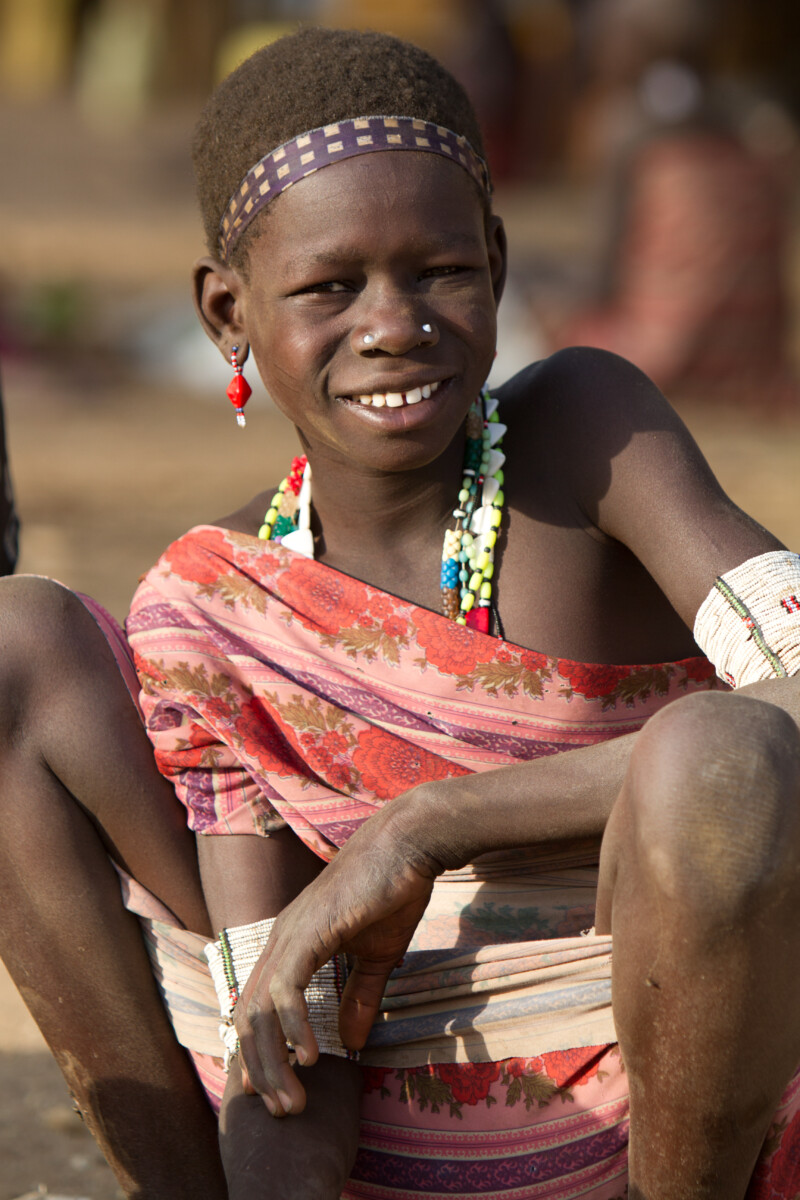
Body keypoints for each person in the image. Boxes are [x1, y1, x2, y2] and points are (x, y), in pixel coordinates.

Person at [1, 24, 800, 1200]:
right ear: (226, 314)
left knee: (720, 753)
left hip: (674, 1102)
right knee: (12, 639)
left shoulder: (584, 437)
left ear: (496, 259)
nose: (392, 325)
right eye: (329, 286)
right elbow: (285, 1020)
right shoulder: (215, 605)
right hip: (374, 1132)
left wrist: (422, 827)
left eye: (438, 271)